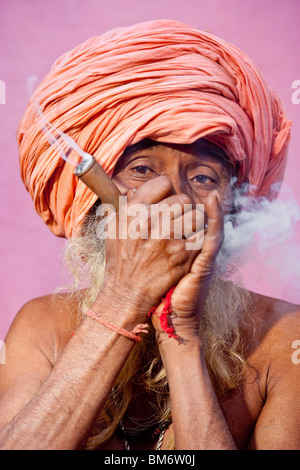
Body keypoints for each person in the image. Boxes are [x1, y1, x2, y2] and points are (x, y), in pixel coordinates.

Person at [0, 19, 299, 450]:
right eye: (142, 170)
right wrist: (124, 300)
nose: (173, 201)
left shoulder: (287, 338)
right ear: (94, 206)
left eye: (202, 177)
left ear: (232, 210)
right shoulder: (41, 327)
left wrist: (181, 332)